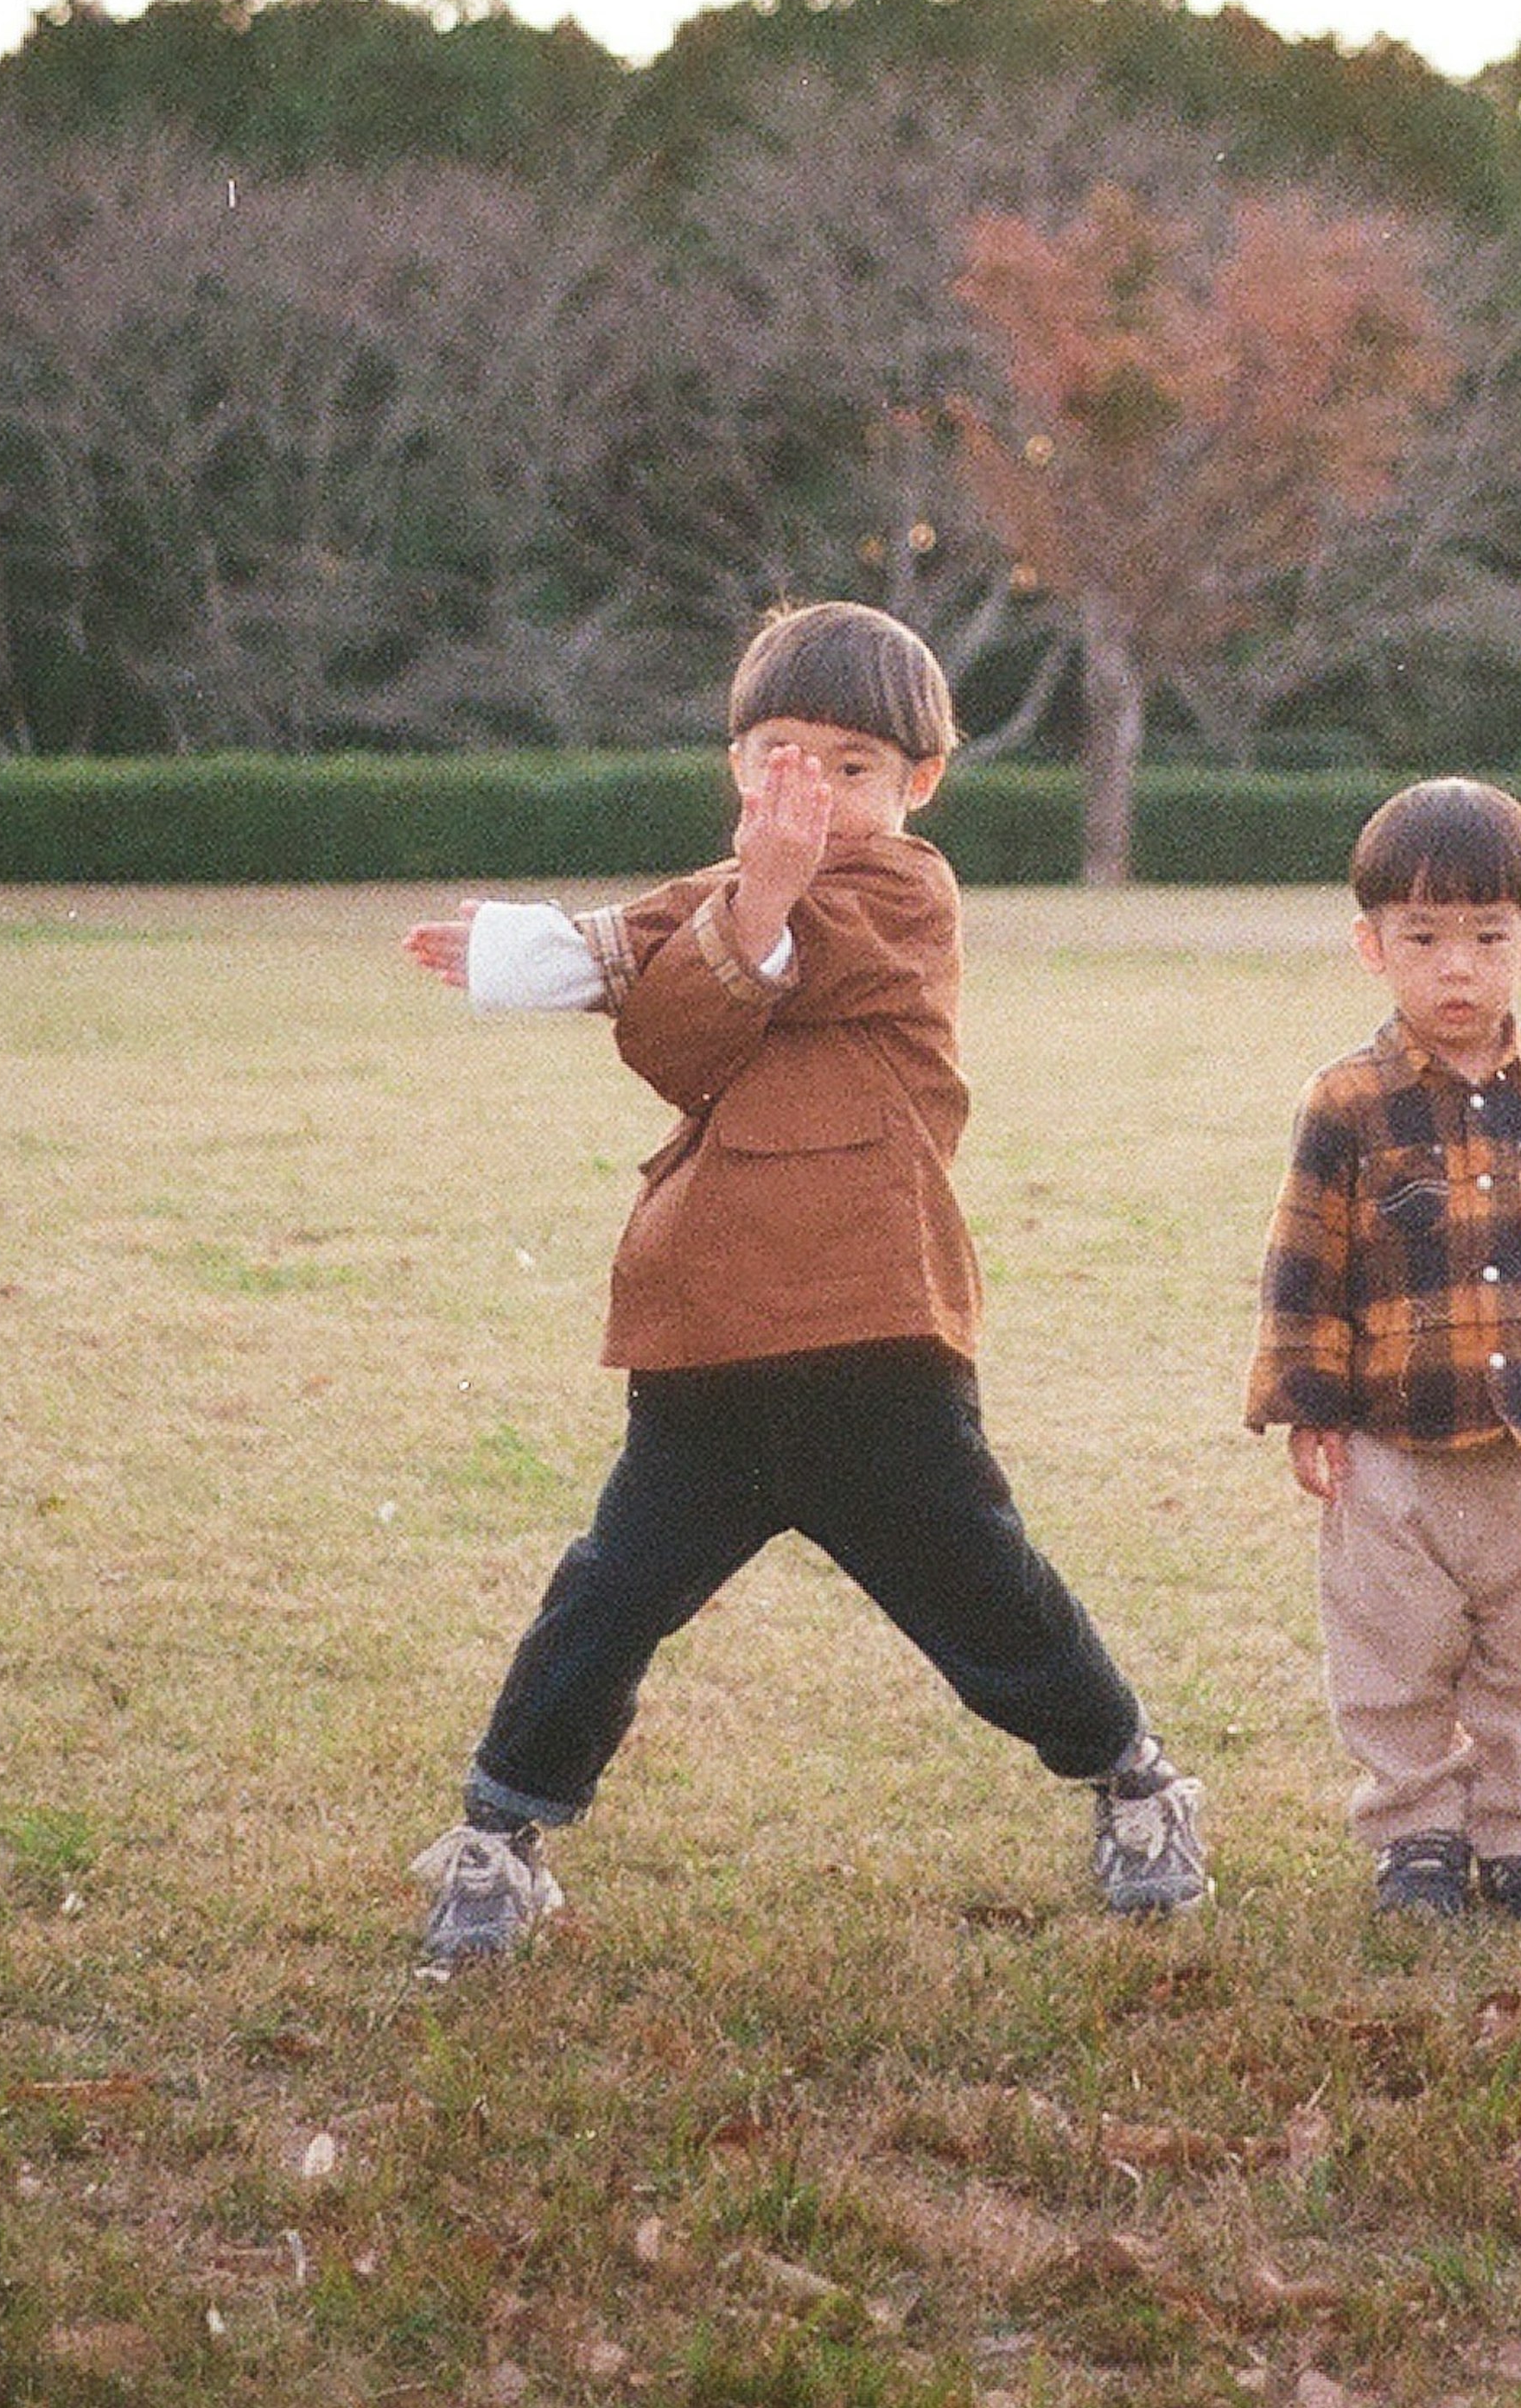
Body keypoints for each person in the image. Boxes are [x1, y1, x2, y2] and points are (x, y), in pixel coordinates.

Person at [398, 600, 1209, 1963]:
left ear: (918, 785)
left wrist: (641, 934)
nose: (813, 794)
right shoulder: (734, 898)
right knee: (607, 1597)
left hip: (870, 1336)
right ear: (734, 766)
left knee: (989, 1598)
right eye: (780, 755)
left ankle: (1133, 1781)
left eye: (851, 768)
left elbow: (701, 986)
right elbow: (675, 1012)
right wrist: (537, 950)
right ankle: (498, 1831)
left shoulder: (905, 890)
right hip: (709, 1345)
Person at [1243, 776, 1521, 1925]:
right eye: (1424, 938)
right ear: (1371, 945)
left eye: (1487, 938)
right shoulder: (1347, 1105)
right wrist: (1308, 1406)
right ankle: (1416, 1838)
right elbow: (1307, 1262)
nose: (1457, 968)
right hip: (1395, 1452)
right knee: (1393, 1655)